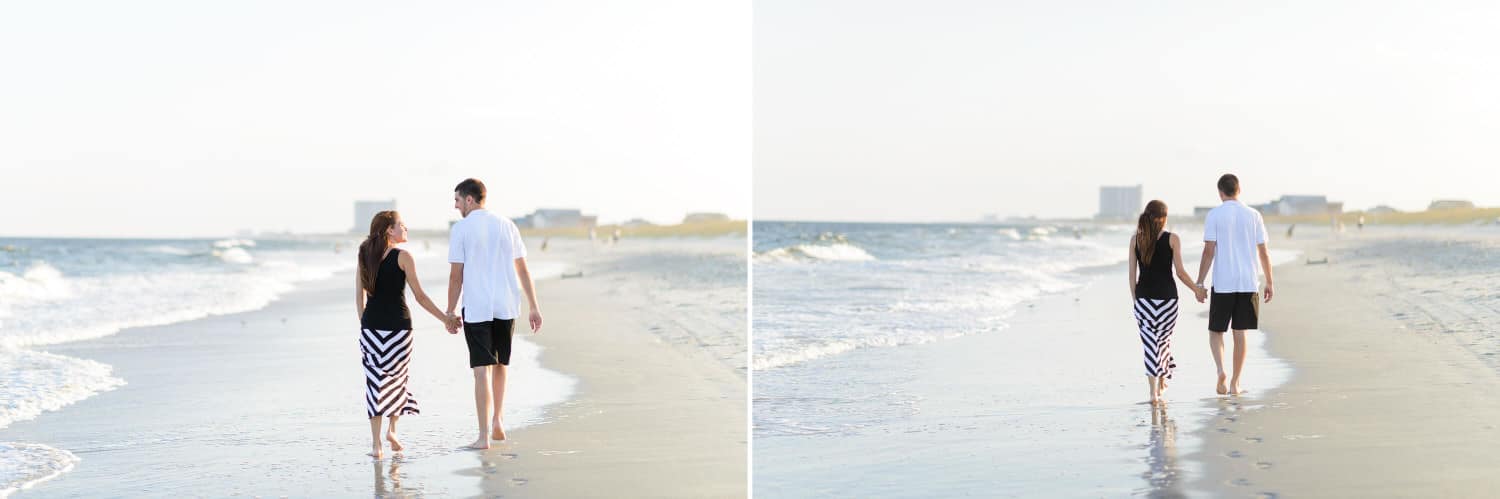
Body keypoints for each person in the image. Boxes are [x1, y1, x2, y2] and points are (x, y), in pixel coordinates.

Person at [445, 178, 544, 450]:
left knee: (481, 372)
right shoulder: (506, 225)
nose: (455, 206)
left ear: (469, 199)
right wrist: (533, 306)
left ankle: (483, 436)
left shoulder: (462, 229)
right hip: (506, 305)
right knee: (501, 365)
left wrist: (450, 311)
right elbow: (523, 269)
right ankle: (498, 420)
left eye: (457, 200)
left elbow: (456, 277)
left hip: (477, 308)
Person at [355, 210, 455, 459]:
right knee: (397, 379)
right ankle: (392, 430)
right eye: (402, 225)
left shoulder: (364, 254)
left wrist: (365, 325)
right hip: (399, 329)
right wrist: (445, 319)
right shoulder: (404, 257)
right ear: (389, 229)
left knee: (375, 383)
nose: (406, 229)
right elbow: (420, 297)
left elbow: (359, 295)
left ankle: (377, 445)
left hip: (371, 329)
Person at [1195, 174, 1275, 395]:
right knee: (1240, 333)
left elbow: (1209, 251)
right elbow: (1263, 251)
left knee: (1216, 332)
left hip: (1223, 283)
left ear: (1221, 192)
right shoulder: (1254, 215)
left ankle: (1221, 370)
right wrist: (1269, 281)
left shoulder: (1214, 215)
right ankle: (1235, 383)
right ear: (1239, 190)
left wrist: (1199, 282)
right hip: (1248, 282)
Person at [1129, 200, 1207, 405]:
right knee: (1161, 341)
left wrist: (1136, 302)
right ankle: (1160, 380)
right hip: (1168, 302)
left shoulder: (1135, 240)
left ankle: (1154, 392)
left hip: (1144, 299)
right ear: (1163, 219)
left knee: (1150, 344)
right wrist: (1196, 289)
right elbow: (1180, 273)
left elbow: (1132, 276)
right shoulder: (1173, 239)